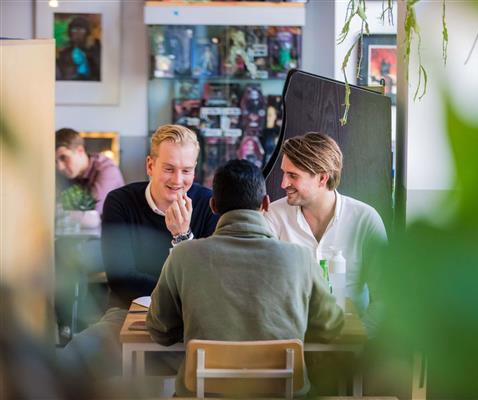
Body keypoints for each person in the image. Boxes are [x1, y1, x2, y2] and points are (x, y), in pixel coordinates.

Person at [146, 159, 344, 397]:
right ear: (265, 203)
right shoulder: (300, 258)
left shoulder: (183, 256)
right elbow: (332, 326)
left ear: (213, 205)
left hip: (203, 395)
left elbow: (159, 330)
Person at [60, 124, 219, 380]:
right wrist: (178, 294)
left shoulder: (209, 203)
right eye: (168, 169)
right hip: (126, 314)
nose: (178, 180)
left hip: (191, 321)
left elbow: (209, 283)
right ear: (150, 166)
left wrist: (184, 235)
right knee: (71, 358)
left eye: (186, 170)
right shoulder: (120, 202)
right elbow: (121, 279)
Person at [264, 132, 387, 316]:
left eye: (293, 176)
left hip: (352, 338)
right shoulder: (273, 215)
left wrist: (363, 337)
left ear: (322, 178)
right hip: (290, 336)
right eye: (284, 173)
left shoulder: (365, 220)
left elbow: (385, 297)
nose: (283, 183)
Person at [55, 128, 124, 215]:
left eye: (64, 158)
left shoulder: (107, 169)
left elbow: (92, 212)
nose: (60, 167)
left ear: (80, 151)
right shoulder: (67, 173)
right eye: (55, 161)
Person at [56, 16, 101, 81]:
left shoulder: (96, 48)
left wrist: (91, 51)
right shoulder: (63, 53)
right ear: (70, 32)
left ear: (87, 33)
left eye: (82, 30)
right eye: (74, 29)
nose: (77, 33)